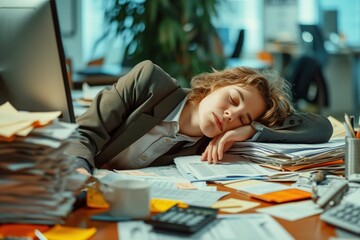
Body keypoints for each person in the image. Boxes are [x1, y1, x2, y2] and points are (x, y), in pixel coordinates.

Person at [67, 60, 333, 175]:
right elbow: (83, 133)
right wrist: (79, 169)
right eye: (233, 100)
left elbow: (321, 127)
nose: (231, 116)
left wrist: (250, 130)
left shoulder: (208, 144)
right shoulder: (149, 81)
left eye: (243, 118)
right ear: (217, 84)